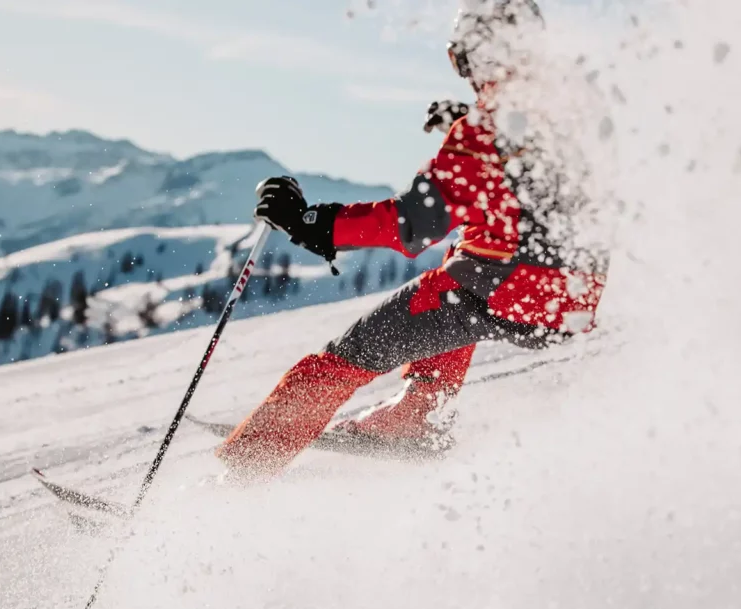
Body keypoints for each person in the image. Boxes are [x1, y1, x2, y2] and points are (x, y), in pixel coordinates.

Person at [216, 0, 617, 478]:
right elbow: (530, 178)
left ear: (472, 56)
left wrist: (311, 222)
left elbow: (410, 225)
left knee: (349, 354)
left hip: (500, 292)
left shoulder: (482, 134)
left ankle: (240, 472)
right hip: (569, 301)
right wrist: (462, 122)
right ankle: (415, 413)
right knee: (460, 265)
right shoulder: (574, 111)